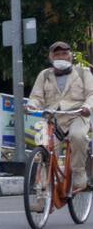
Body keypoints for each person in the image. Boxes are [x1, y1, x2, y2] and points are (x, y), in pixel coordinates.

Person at [28, 40, 93, 194]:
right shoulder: (44, 75)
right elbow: (36, 96)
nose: (61, 57)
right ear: (51, 57)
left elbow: (91, 94)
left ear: (70, 56)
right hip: (53, 119)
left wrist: (87, 107)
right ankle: (42, 195)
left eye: (64, 53)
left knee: (77, 136)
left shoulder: (83, 73)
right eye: (57, 54)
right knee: (43, 151)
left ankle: (79, 173)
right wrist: (32, 104)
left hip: (77, 115)